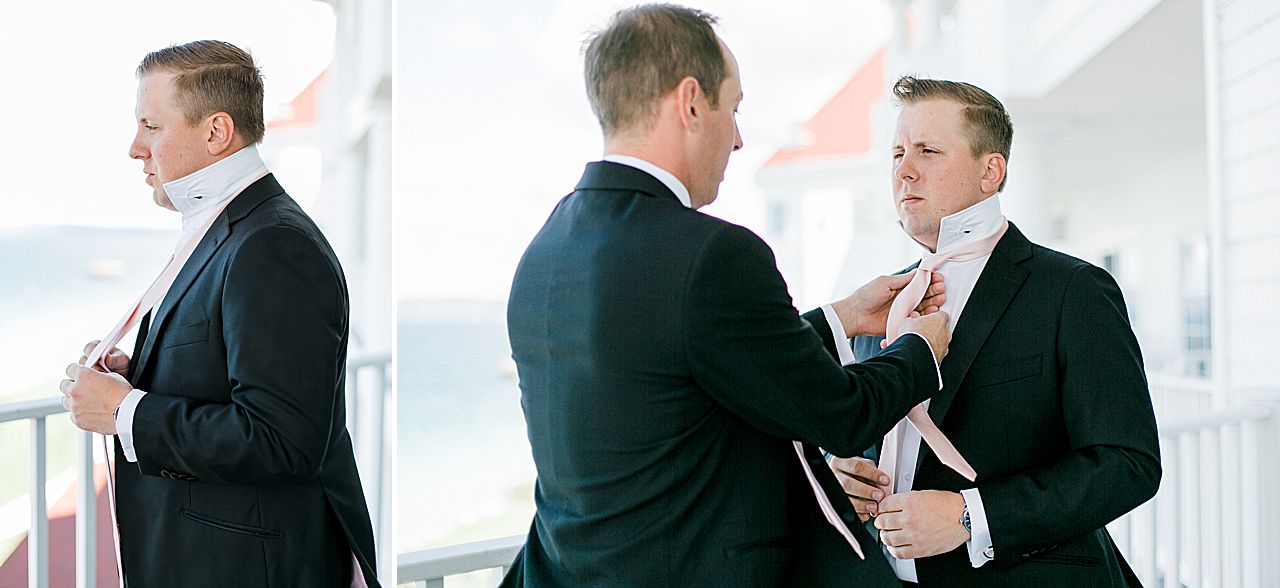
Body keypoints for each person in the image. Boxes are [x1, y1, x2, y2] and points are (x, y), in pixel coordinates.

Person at [501, 5, 955, 587]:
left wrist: (839, 319)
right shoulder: (713, 256)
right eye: (733, 107)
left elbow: (681, 359)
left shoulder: (545, 250)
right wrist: (918, 350)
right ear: (691, 102)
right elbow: (841, 415)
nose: (739, 139)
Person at [58, 40, 378, 587]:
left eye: (151, 126)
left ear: (216, 132)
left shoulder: (273, 245)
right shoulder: (231, 228)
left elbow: (282, 439)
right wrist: (140, 378)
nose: (135, 148)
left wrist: (126, 412)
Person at [827, 76, 1160, 587]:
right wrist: (843, 478)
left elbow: (1126, 463)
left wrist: (970, 517)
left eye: (927, 150)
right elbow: (864, 442)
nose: (904, 171)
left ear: (991, 171)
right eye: (896, 153)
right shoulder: (879, 308)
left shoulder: (1073, 290)